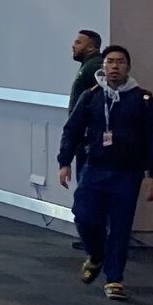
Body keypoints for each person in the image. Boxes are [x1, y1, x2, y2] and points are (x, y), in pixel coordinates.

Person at [58, 44, 153, 300]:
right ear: (103, 67)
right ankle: (96, 254)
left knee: (120, 226)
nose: (115, 66)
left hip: (127, 173)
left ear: (128, 67)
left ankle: (114, 278)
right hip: (94, 168)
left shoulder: (142, 100)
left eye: (120, 62)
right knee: (83, 216)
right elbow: (72, 130)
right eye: (110, 62)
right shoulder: (92, 96)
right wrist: (64, 162)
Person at [65, 26, 104, 249]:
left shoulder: (94, 67)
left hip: (89, 138)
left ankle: (94, 236)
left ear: (92, 46)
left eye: (79, 42)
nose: (73, 45)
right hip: (84, 135)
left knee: (88, 185)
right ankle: (92, 234)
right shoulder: (88, 67)